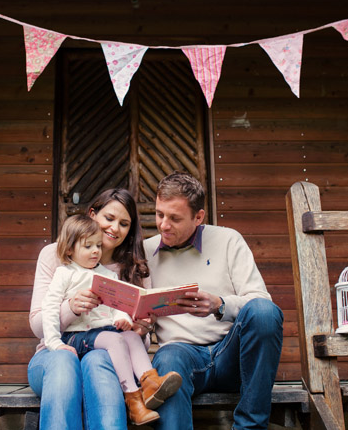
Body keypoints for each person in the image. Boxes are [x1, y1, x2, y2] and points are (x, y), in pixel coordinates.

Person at [143, 172, 284, 430]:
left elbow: (261, 301)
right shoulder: (145, 252)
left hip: (231, 353)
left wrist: (220, 305)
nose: (163, 225)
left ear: (198, 217)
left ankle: (250, 428)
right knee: (167, 358)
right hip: (181, 357)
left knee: (264, 312)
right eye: (159, 214)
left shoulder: (229, 240)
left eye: (174, 218)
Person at [28, 188, 156, 429]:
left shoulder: (133, 268)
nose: (115, 228)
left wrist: (140, 330)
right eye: (109, 218)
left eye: (124, 223)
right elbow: (38, 327)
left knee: (99, 362)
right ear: (92, 215)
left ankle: (134, 401)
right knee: (63, 361)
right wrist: (71, 308)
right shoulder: (55, 257)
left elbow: (137, 341)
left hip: (108, 353)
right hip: (55, 353)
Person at [42, 214, 182, 426]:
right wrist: (54, 341)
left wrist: (122, 318)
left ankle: (150, 382)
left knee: (131, 338)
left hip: (104, 333)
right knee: (116, 340)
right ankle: (134, 401)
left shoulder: (107, 275)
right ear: (69, 249)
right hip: (76, 336)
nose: (96, 251)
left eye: (98, 245)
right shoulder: (65, 273)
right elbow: (50, 308)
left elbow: (115, 306)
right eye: (88, 246)